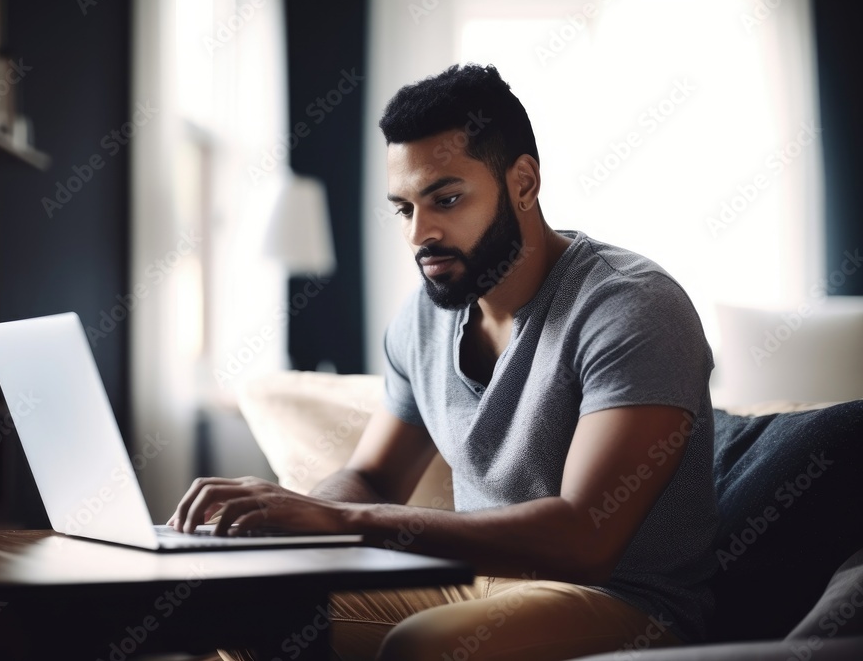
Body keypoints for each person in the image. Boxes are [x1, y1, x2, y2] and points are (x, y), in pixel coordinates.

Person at [168, 63, 719, 661]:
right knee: (237, 611)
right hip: (474, 583)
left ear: (524, 183)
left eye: (446, 199)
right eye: (404, 209)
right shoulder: (423, 319)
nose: (419, 234)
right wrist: (293, 520)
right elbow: (374, 479)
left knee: (422, 647)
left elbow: (585, 537)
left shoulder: (632, 306)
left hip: (625, 602)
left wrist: (348, 520)